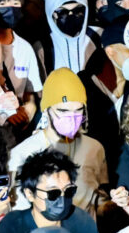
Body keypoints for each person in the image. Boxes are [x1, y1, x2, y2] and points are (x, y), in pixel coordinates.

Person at [8, 68, 107, 215]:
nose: (71, 117)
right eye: (63, 111)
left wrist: (115, 202)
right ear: (46, 110)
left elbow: (98, 201)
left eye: (78, 110)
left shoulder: (94, 148)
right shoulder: (21, 154)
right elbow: (20, 212)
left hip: (86, 228)